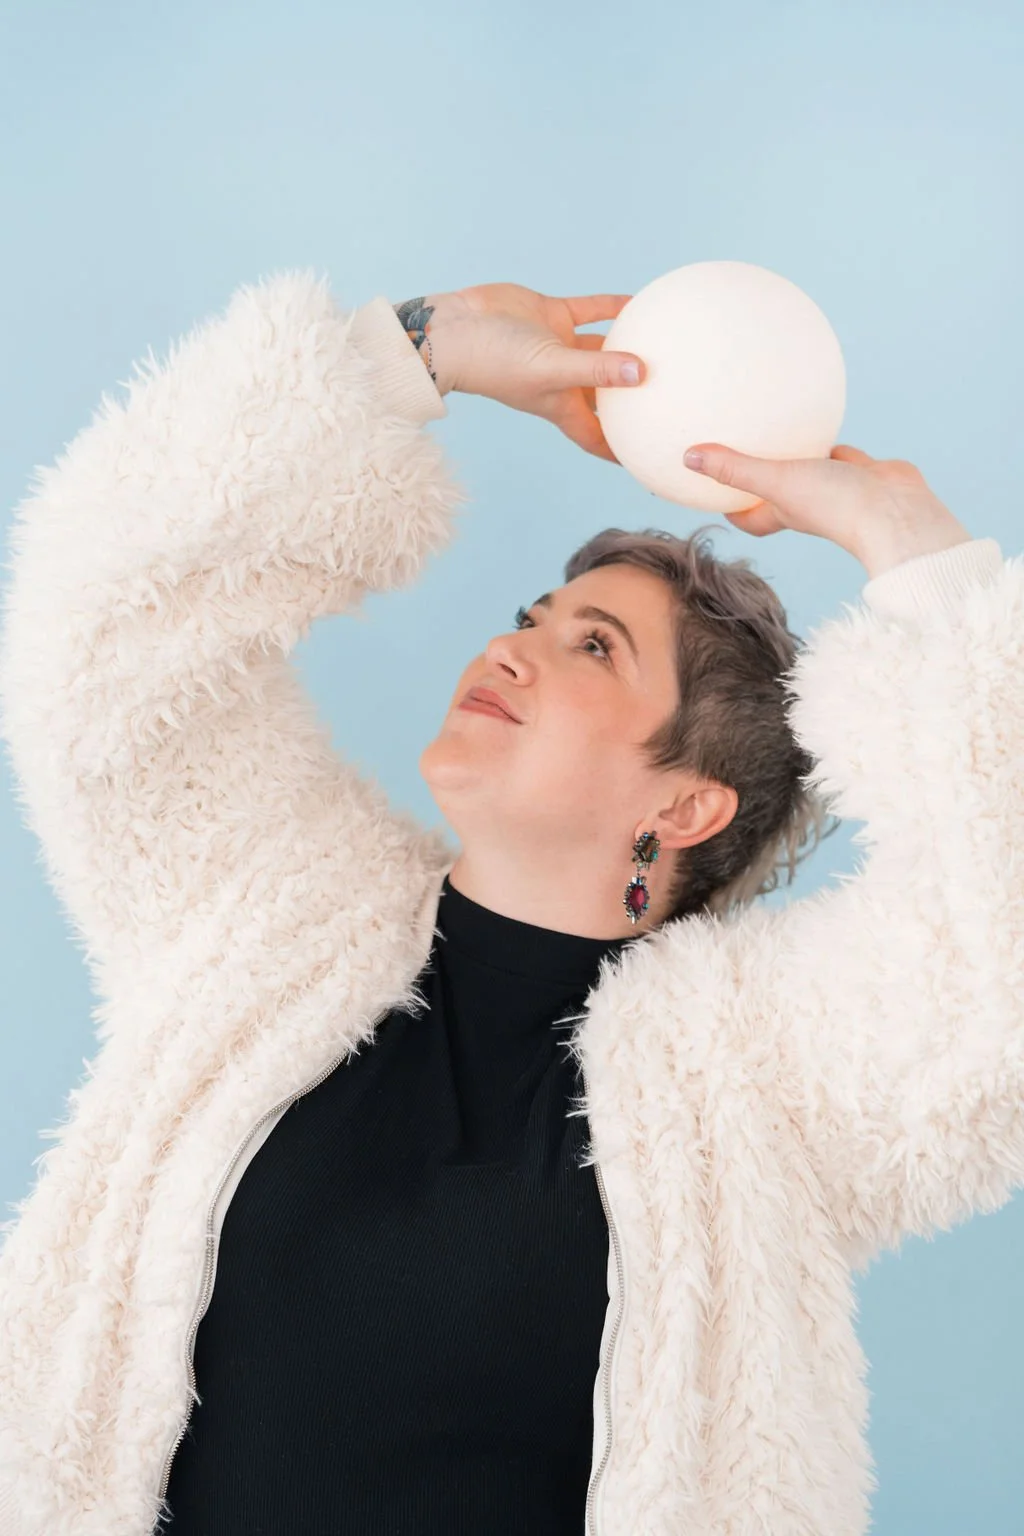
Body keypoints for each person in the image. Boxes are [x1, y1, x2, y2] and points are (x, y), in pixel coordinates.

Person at [0, 272, 1018, 1536]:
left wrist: (919, 559)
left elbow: (997, 997)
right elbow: (102, 635)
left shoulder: (755, 1087)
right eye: (531, 617)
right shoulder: (264, 914)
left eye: (596, 646)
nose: (511, 648)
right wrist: (416, 356)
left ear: (688, 805)